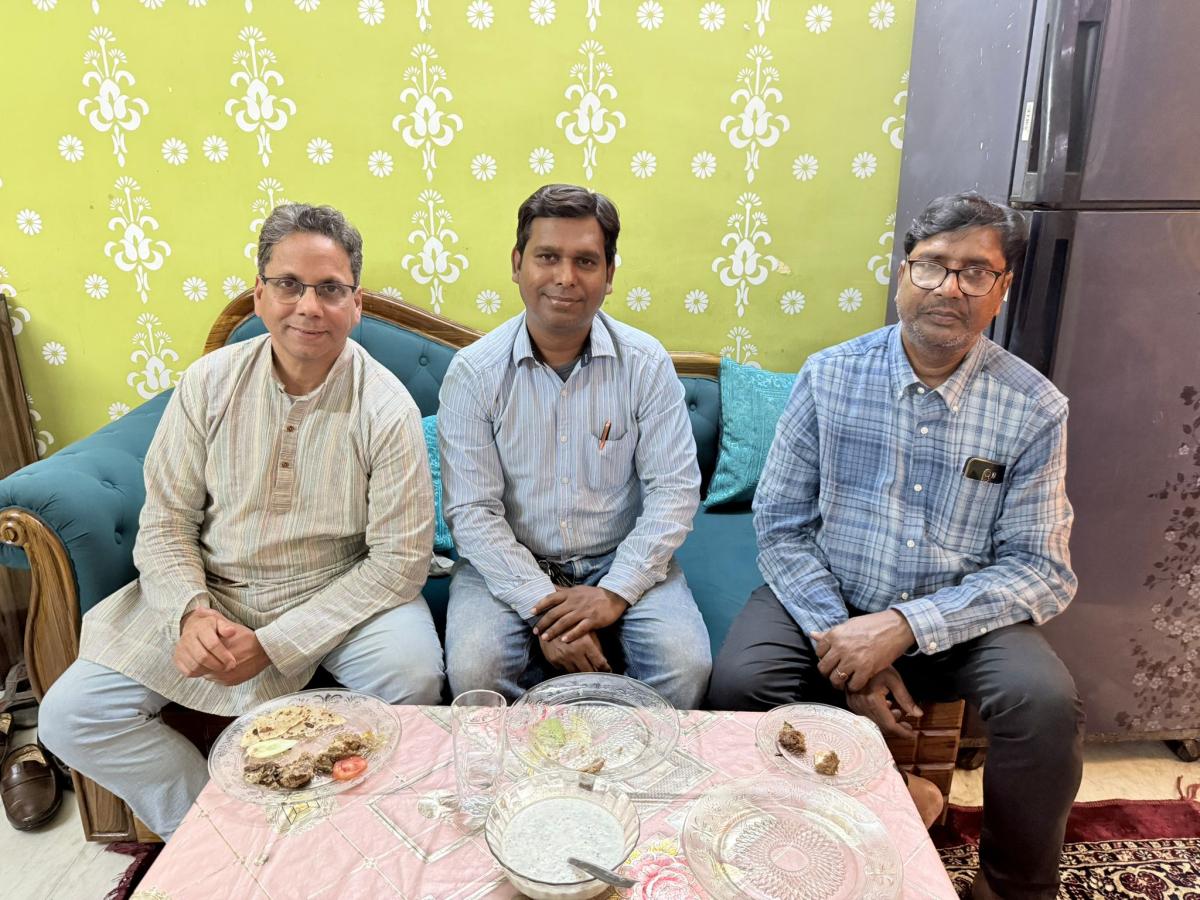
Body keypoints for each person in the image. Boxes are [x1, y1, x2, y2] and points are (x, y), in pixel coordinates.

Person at [708, 192, 1084, 899]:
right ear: (902, 273)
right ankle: (810, 836)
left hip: (961, 620)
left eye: (976, 272)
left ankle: (1008, 888)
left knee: (1044, 704)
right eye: (933, 265)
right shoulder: (830, 376)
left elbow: (1041, 568)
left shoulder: (1034, 407)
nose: (950, 287)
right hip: (832, 593)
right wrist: (847, 647)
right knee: (739, 685)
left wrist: (904, 626)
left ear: (1002, 289)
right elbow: (781, 525)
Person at [40, 203, 443, 839]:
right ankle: (224, 835)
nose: (309, 306)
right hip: (214, 586)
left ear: (356, 304)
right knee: (70, 718)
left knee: (412, 674)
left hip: (338, 592)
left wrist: (275, 644)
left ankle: (354, 832)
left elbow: (398, 563)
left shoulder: (386, 407)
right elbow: (166, 522)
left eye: (330, 289)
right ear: (259, 295)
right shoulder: (209, 383)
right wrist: (190, 613)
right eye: (289, 284)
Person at [438, 183, 711, 709]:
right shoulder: (474, 373)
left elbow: (674, 492)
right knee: (476, 670)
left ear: (608, 276)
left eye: (586, 261)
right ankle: (525, 763)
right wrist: (544, 608)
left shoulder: (645, 363)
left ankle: (629, 757)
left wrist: (615, 591)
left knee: (685, 664)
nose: (565, 277)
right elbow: (472, 513)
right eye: (547, 257)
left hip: (618, 554)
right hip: (511, 559)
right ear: (517, 264)